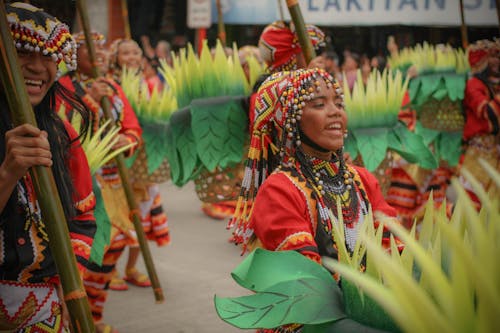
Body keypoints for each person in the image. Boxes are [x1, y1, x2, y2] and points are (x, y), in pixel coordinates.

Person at [228, 68, 400, 332]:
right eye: (319, 104)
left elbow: (392, 243)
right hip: (311, 319)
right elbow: (308, 280)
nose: (335, 112)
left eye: (339, 103)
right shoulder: (280, 190)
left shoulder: (363, 180)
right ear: (290, 119)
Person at [0, 2, 96, 331]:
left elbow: (82, 219)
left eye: (48, 55)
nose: (39, 67)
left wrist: (69, 288)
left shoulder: (59, 133)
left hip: (44, 309)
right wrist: (8, 175)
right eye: (24, 52)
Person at [58, 32, 143, 333]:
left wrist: (126, 139)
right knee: (78, 251)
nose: (101, 54)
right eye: (90, 49)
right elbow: (61, 126)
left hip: (113, 183)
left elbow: (132, 128)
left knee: (114, 244)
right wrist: (89, 101)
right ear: (73, 54)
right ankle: (70, 318)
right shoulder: (62, 88)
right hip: (77, 184)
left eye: (104, 49)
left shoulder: (113, 87)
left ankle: (92, 315)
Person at [107, 37, 170, 290]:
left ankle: (131, 268)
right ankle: (108, 270)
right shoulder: (111, 86)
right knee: (118, 220)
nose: (133, 57)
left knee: (142, 219)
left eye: (135, 53)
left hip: (145, 163)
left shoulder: (148, 84)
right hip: (119, 164)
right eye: (126, 53)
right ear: (115, 58)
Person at [459, 38, 499, 207]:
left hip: (494, 152)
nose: (497, 61)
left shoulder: (491, 85)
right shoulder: (473, 84)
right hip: (478, 154)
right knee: (474, 202)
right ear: (483, 62)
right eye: (494, 56)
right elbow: (486, 113)